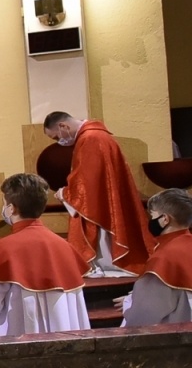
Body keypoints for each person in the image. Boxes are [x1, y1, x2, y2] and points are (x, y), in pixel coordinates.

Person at [0, 174, 90, 337]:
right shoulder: (65, 247)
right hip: (64, 339)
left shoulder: (0, 250)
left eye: (4, 204)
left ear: (11, 208)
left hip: (15, 341)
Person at [43, 111, 153, 276]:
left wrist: (65, 193)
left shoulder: (90, 139)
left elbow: (88, 182)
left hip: (100, 200)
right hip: (104, 195)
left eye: (56, 137)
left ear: (63, 126)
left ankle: (109, 265)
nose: (59, 141)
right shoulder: (96, 135)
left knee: (102, 243)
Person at [120, 188, 192, 327]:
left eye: (152, 215)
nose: (151, 220)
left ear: (164, 219)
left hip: (176, 335)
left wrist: (128, 305)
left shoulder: (164, 258)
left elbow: (144, 316)